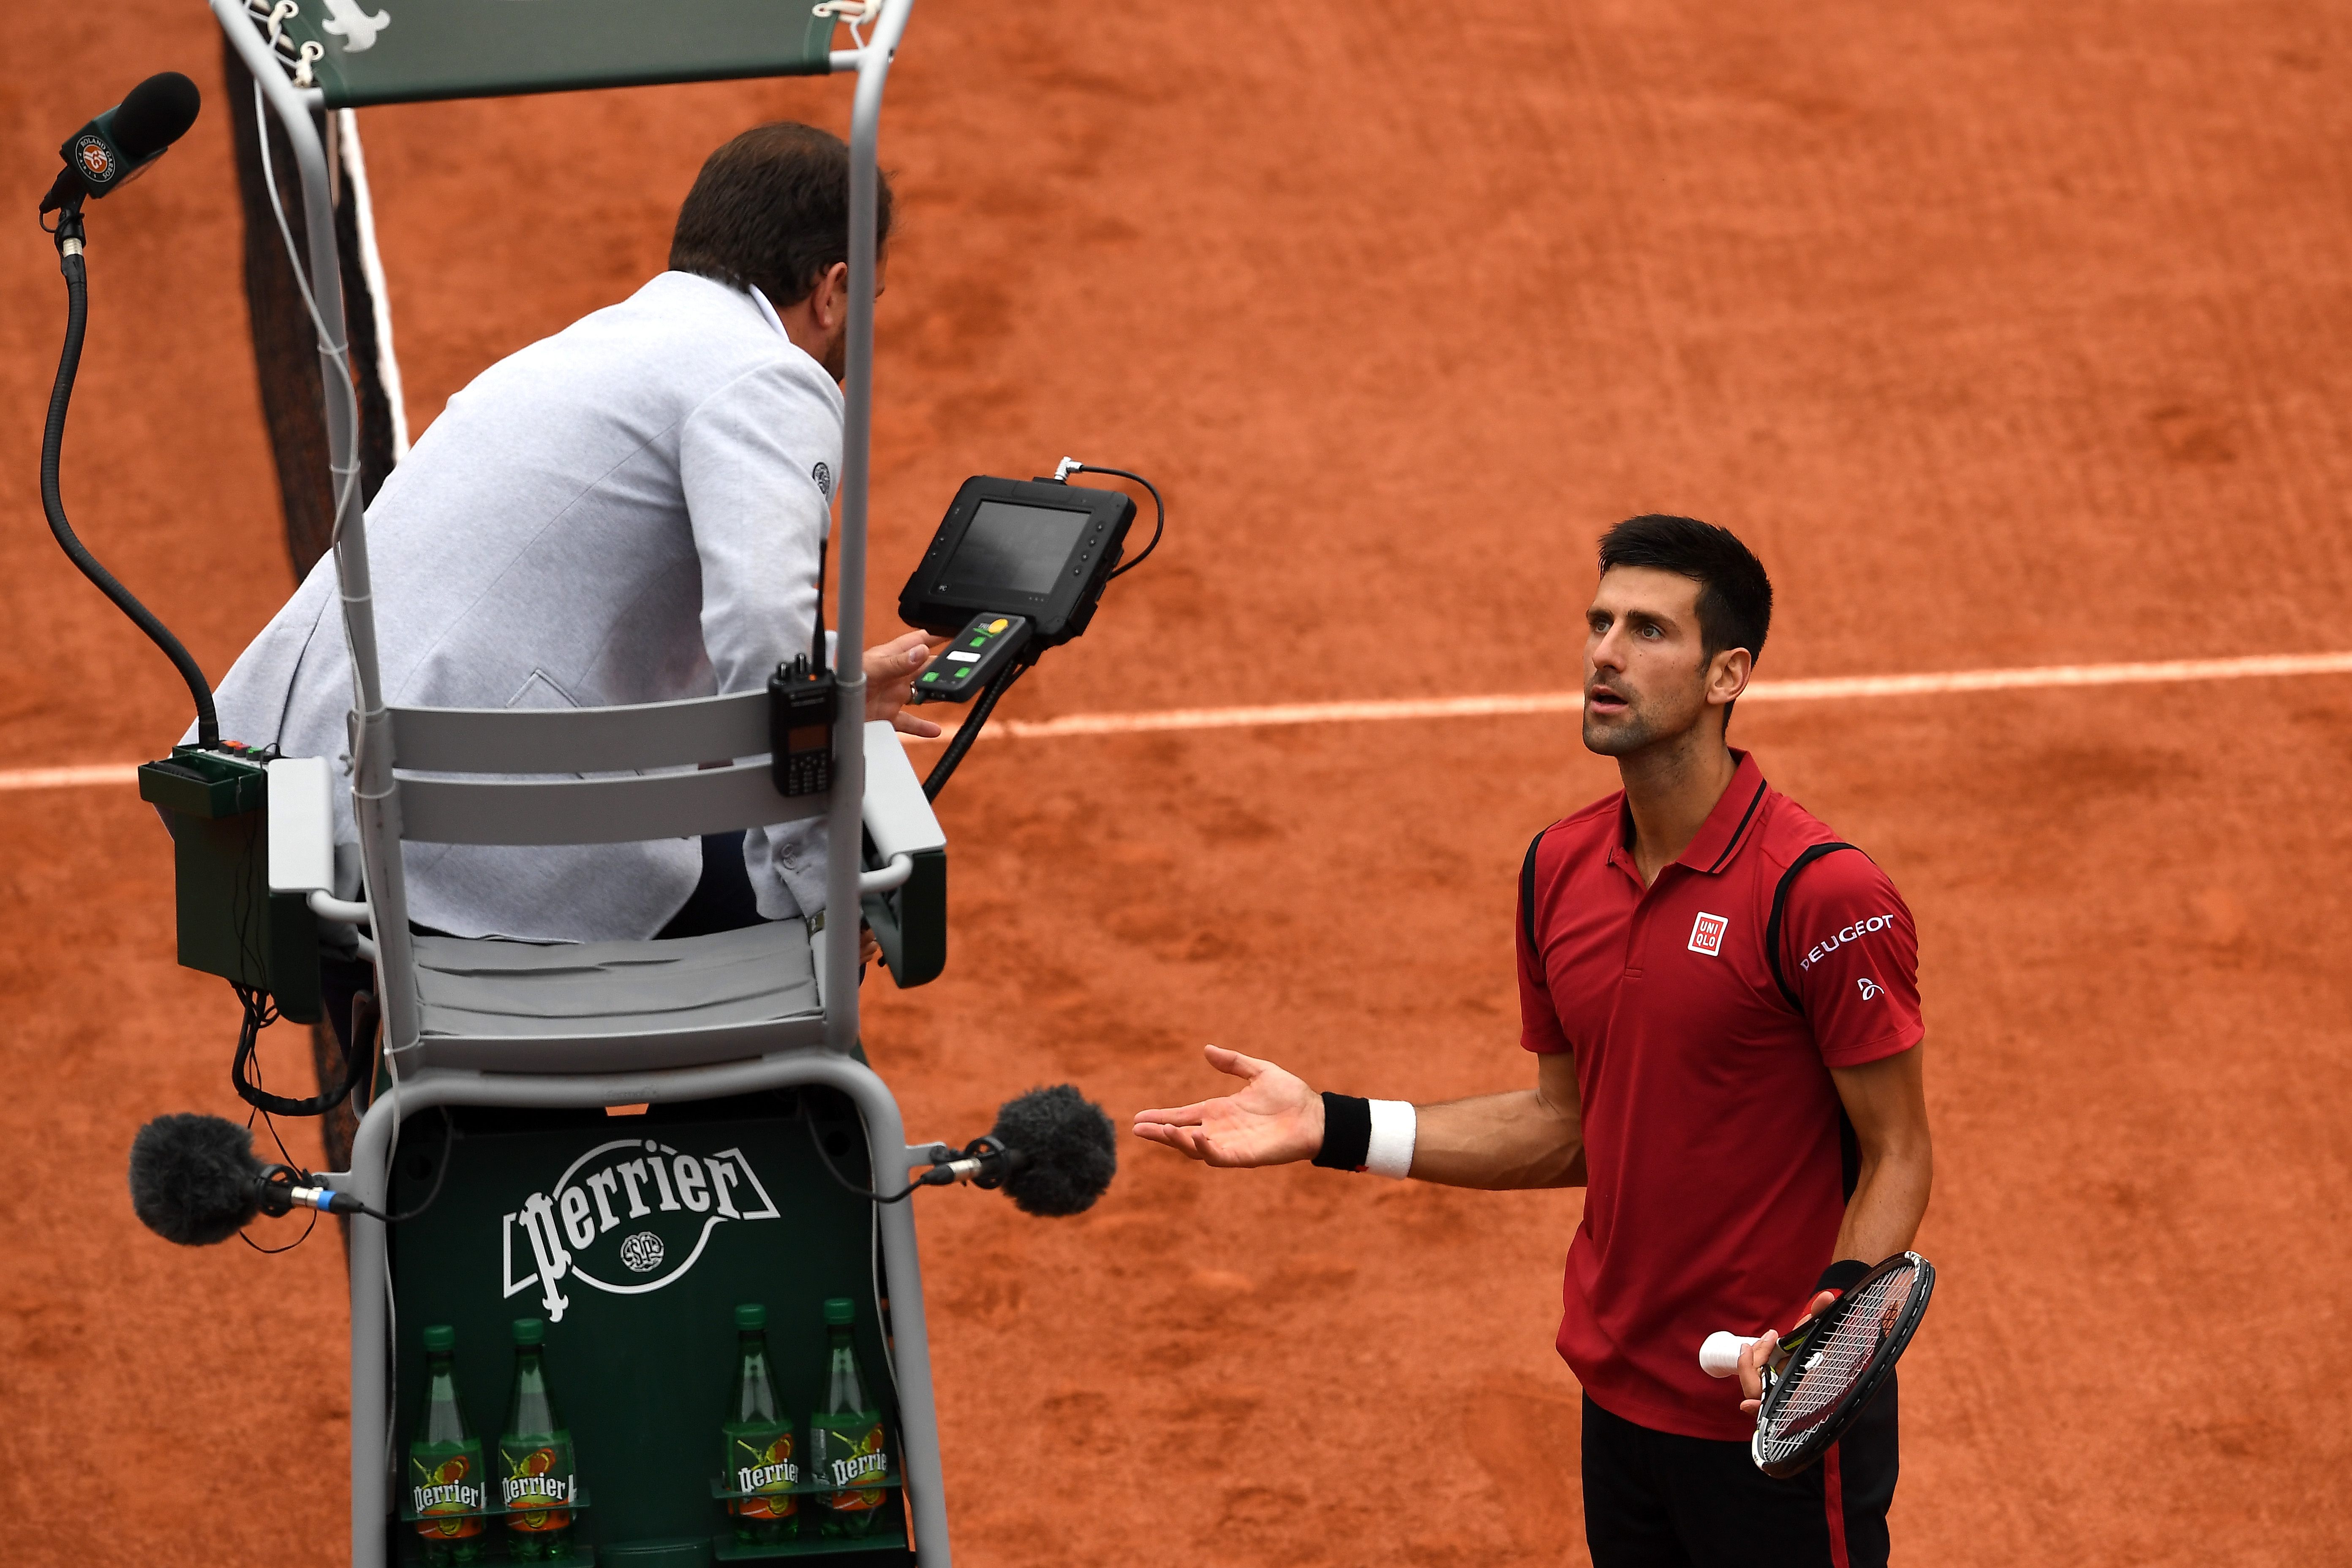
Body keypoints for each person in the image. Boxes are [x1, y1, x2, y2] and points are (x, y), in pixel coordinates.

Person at [1133, 516, 1934, 1568]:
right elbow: (1569, 1126)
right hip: (1622, 1397)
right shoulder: (1557, 866)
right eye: (1599, 622)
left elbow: (1898, 1148)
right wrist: (1328, 1122)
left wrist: (1827, 1332)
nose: (1604, 652)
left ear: (1728, 673)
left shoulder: (1820, 890)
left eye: (1649, 630)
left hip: (1767, 1422)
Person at [196, 120, 937, 955]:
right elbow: (761, 635)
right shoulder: (766, 375)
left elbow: (608, 616)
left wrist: (832, 675)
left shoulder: (598, 346)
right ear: (832, 288)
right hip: (464, 873)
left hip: (294, 834)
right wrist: (826, 885)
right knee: (798, 950)